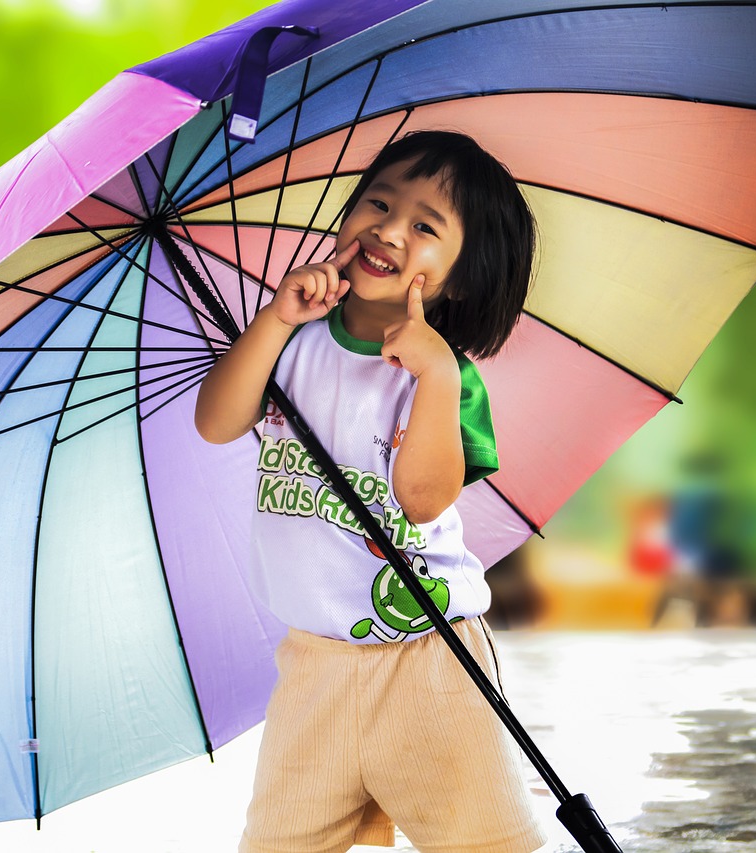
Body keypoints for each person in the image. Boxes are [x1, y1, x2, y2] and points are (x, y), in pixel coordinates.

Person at [195, 130, 545, 853]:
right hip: (313, 664)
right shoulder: (292, 342)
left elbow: (422, 498)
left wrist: (436, 377)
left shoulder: (443, 378)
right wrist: (274, 319)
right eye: (378, 203)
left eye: (424, 226)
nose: (388, 229)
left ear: (461, 279)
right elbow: (216, 420)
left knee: (486, 844)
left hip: (431, 657)